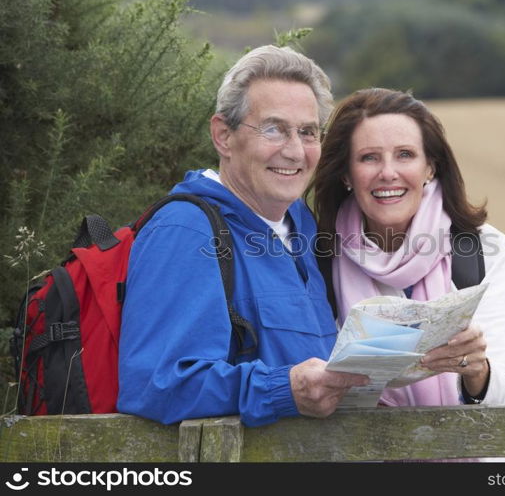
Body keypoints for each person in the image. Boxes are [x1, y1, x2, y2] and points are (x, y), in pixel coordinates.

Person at [117, 45, 368, 427]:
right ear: (223, 136)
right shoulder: (184, 230)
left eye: (308, 132)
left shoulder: (300, 222)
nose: (295, 151)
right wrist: (284, 389)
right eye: (274, 129)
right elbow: (156, 384)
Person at [310, 88, 505, 460]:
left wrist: (477, 371)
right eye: (368, 158)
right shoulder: (320, 259)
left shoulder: (482, 250)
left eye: (405, 155)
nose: (388, 173)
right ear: (347, 174)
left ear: (430, 166)